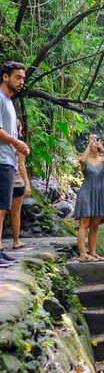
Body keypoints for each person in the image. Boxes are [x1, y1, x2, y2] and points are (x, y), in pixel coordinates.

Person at [0, 61, 29, 266]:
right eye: (18, 77)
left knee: (3, 208)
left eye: (23, 78)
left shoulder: (9, 102)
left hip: (8, 160)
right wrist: (16, 142)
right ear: (5, 77)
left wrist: (18, 146)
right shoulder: (0, 99)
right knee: (0, 209)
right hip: (1, 160)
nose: (21, 82)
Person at [74, 134, 104, 262]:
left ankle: (93, 252)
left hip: (100, 194)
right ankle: (83, 254)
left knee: (95, 225)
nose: (94, 144)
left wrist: (103, 150)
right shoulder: (86, 159)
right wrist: (88, 145)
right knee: (84, 224)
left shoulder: (102, 160)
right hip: (87, 193)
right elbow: (82, 161)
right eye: (92, 141)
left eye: (96, 141)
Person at [10, 119, 31, 249]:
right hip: (16, 181)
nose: (22, 132)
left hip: (4, 180)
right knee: (15, 213)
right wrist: (27, 184)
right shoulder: (19, 144)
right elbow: (21, 165)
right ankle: (16, 241)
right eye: (21, 129)